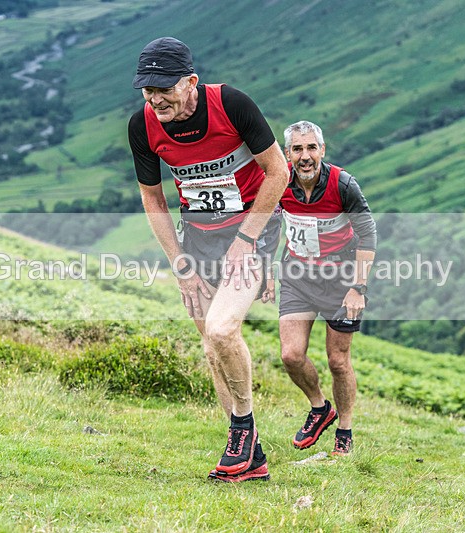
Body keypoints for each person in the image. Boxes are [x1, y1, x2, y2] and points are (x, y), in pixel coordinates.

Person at [127, 37, 289, 482]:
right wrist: (179, 262)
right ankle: (250, 459)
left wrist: (246, 237)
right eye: (147, 90)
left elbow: (279, 172)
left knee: (222, 328)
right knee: (211, 346)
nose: (156, 99)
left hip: (253, 232)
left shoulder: (232, 105)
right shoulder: (142, 125)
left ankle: (241, 429)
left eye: (165, 89)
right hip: (197, 240)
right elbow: (152, 198)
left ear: (191, 82)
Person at [277, 121, 376, 456]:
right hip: (297, 276)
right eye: (297, 149)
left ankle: (344, 430)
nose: (305, 156)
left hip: (341, 281)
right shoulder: (279, 181)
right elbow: (265, 223)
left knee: (338, 361)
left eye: (311, 148)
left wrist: (358, 288)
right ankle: (320, 408)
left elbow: (368, 234)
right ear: (287, 153)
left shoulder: (343, 184)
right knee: (291, 354)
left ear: (322, 150)